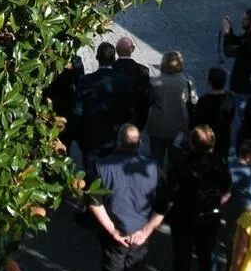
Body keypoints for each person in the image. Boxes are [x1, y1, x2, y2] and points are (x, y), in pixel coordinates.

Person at [90, 125, 166, 271]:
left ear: (118, 142)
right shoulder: (153, 168)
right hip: (140, 235)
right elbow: (163, 205)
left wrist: (113, 230)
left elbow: (94, 203)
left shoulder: (101, 167)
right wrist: (146, 231)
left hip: (114, 236)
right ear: (139, 144)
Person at [164, 126, 232, 271]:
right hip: (210, 215)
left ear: (191, 143)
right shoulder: (220, 162)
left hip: (184, 216)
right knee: (207, 253)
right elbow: (226, 186)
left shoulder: (182, 163)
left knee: (182, 255)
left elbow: (171, 191)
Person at [75, 41, 136, 176]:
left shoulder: (85, 81)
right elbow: (130, 111)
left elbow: (78, 112)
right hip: (115, 138)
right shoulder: (125, 82)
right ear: (114, 59)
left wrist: (78, 136)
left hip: (91, 138)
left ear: (97, 58)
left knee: (92, 177)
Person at [147, 49, 197, 169]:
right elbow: (194, 102)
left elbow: (148, 102)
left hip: (157, 127)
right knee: (175, 162)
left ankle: (158, 182)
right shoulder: (188, 82)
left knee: (156, 160)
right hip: (179, 128)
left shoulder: (153, 82)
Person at [222, 9, 251, 116]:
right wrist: (230, 29)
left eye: (245, 19)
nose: (242, 21)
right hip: (245, 82)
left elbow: (228, 51)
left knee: (241, 114)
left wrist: (227, 33)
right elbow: (236, 40)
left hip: (243, 84)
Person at [191, 67, 237, 159]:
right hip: (223, 137)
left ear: (210, 82)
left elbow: (196, 121)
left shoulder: (204, 101)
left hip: (206, 139)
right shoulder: (230, 99)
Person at [113, 37, 151, 131]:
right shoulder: (143, 71)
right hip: (134, 121)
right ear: (132, 49)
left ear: (116, 50)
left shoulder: (110, 69)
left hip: (113, 121)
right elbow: (145, 100)